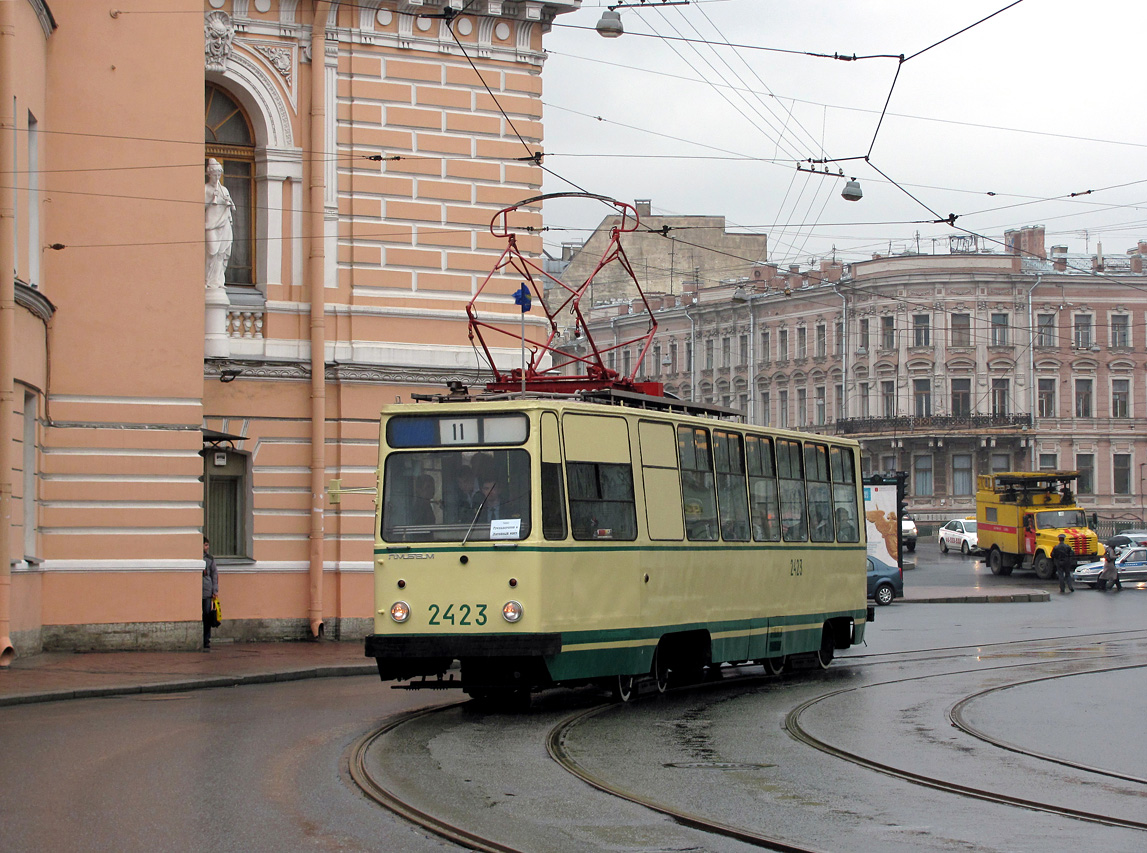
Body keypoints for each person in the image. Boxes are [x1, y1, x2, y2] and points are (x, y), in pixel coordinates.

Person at [205, 158, 235, 289]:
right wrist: (212, 198)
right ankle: (207, 280)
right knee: (211, 252)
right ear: (209, 174)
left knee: (222, 253)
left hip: (224, 223)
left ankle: (217, 281)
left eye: (219, 175)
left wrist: (229, 202)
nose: (217, 177)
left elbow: (231, 208)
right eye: (214, 175)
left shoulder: (224, 190)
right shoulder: (205, 189)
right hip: (210, 224)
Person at [202, 537, 219, 650]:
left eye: (207, 545)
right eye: (205, 545)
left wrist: (215, 590)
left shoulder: (209, 558)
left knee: (207, 615)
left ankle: (206, 639)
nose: (207, 547)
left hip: (207, 591)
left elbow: (214, 574)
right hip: (196, 591)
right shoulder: (194, 558)